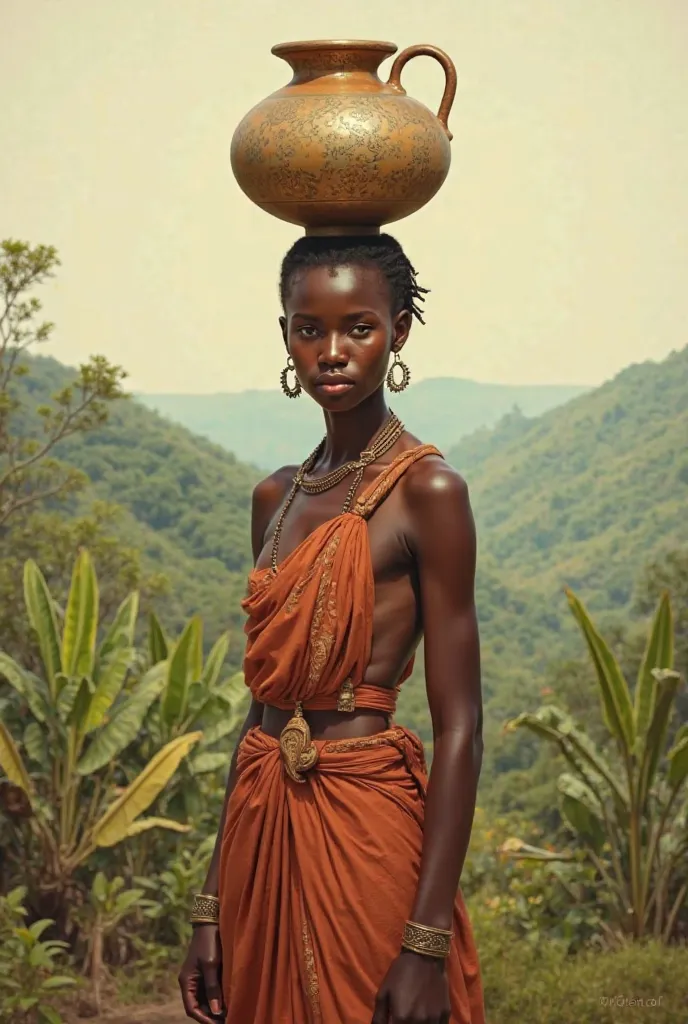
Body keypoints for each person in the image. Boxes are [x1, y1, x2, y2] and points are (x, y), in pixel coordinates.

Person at [178, 234, 485, 1024]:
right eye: (308, 329)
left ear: (401, 332)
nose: (332, 352)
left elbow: (461, 729)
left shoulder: (429, 492)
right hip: (260, 825)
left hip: (365, 823)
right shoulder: (274, 498)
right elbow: (261, 708)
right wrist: (210, 904)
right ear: (284, 336)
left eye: (360, 327)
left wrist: (425, 942)